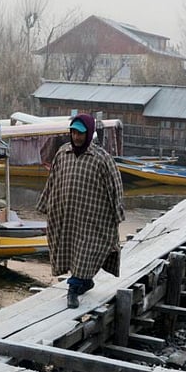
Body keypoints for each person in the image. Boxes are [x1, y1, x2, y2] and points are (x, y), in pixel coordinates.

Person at [37, 113, 125, 308]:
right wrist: (45, 204)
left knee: (85, 250)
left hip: (91, 218)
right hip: (66, 215)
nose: (76, 137)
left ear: (89, 133)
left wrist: (117, 214)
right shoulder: (62, 153)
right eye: (74, 132)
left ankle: (73, 289)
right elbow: (52, 181)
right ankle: (84, 281)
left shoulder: (102, 159)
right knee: (70, 249)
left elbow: (115, 187)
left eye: (81, 133)